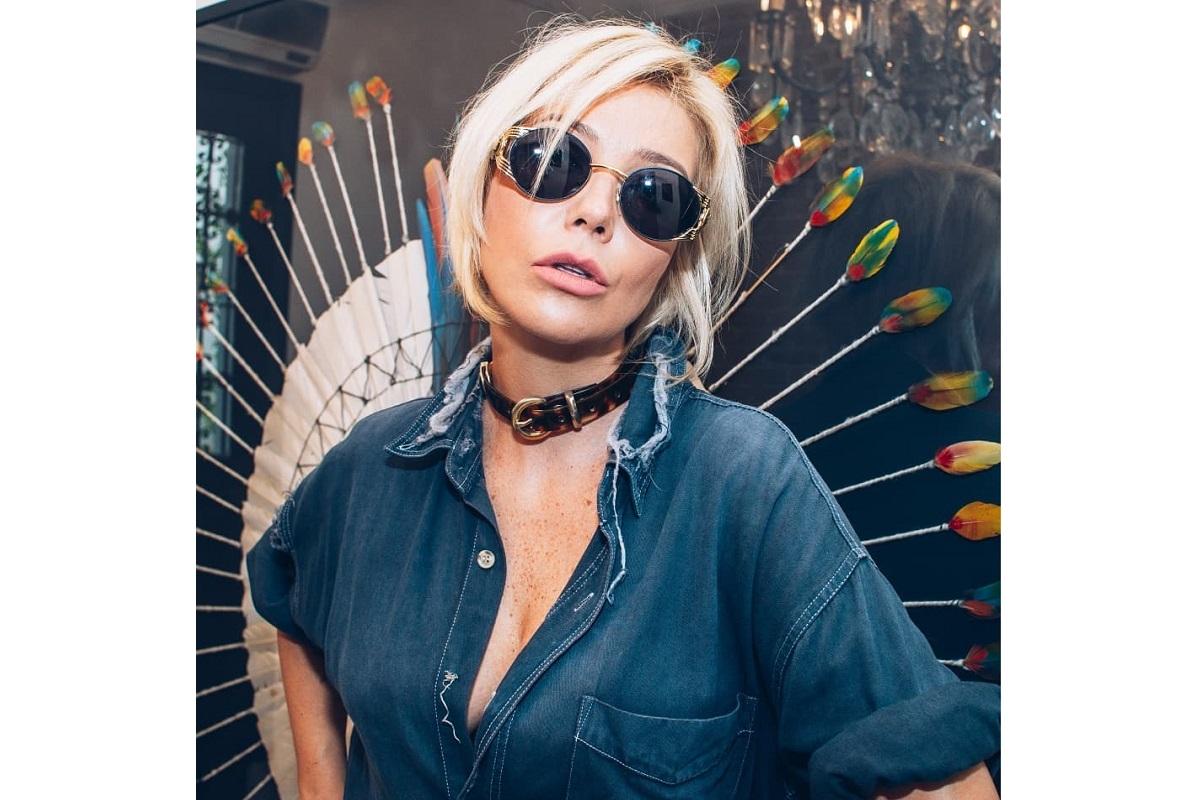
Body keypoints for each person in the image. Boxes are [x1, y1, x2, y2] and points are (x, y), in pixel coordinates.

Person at [246, 16, 1000, 799]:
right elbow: (290, 595)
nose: (596, 213)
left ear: (673, 258)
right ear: (484, 185)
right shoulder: (372, 468)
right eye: (553, 159)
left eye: (654, 197)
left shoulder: (741, 482)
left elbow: (942, 777)